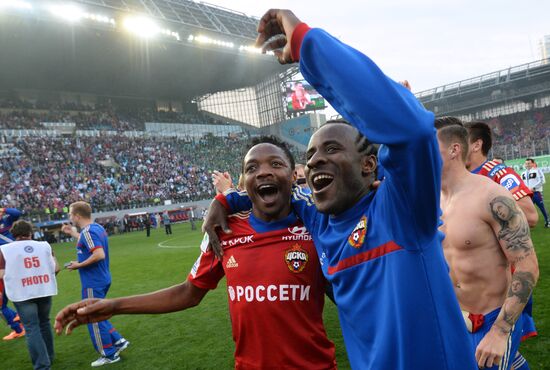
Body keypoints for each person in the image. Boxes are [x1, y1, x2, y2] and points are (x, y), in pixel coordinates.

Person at [203, 10, 476, 369]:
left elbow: (413, 132)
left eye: (331, 150)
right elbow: (275, 191)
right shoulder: (319, 222)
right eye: (311, 155)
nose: (315, 161)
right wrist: (227, 198)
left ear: (368, 165)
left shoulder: (401, 210)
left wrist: (306, 44)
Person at [54, 137, 337, 370]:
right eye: (252, 168)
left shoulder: (317, 226)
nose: (263, 172)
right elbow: (189, 292)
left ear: (293, 175)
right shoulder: (223, 231)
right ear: (244, 182)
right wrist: (114, 306)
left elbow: (347, 292)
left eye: (276, 164)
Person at [435, 120, 539, 369]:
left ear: (454, 149)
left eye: (428, 146)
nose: (419, 152)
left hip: (493, 319)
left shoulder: (492, 197)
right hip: (456, 320)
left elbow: (528, 267)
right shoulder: (432, 199)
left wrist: (500, 332)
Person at [60, 201, 129, 367]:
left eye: (70, 214)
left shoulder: (89, 231)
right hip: (102, 278)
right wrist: (73, 234)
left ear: (77, 215)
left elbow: (99, 254)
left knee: (91, 316)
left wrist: (78, 265)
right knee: (98, 312)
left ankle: (109, 354)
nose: (69, 217)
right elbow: (89, 243)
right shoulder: (95, 228)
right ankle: (118, 340)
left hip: (93, 281)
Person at [0, 220, 60, 370]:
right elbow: (56, 268)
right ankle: (49, 357)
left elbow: (1, 274)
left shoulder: (4, 249)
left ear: (14, 234)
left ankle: (42, 364)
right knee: (44, 323)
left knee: (32, 328)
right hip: (44, 290)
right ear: (31, 233)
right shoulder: (45, 245)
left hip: (22, 294)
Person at [465, 121, 538, 227]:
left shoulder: (500, 174)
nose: (455, 148)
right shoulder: (454, 179)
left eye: (460, 142)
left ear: (476, 145)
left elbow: (530, 217)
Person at [0, 207, 25, 340]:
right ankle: (21, 320)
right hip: (3, 264)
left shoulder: (7, 220)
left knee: (2, 304)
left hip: (9, 262)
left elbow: (17, 213)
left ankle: (19, 327)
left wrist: (4, 209)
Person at [521, 158, 548, 227]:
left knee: (542, 207)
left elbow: (542, 180)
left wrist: (534, 188)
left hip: (537, 193)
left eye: (529, 163)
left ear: (533, 164)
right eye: (526, 163)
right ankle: (527, 224)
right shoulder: (523, 173)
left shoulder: (537, 171)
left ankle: (548, 221)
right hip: (528, 195)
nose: (527, 165)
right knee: (527, 209)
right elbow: (522, 184)